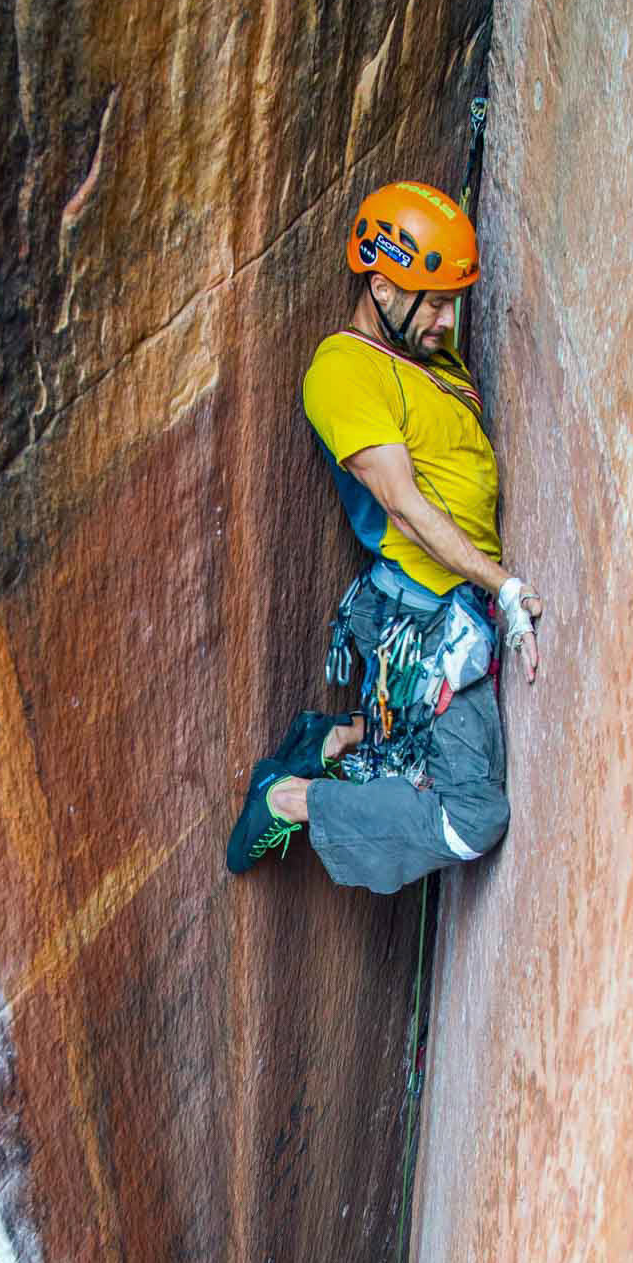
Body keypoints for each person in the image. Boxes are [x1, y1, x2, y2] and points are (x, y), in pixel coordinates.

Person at [226, 179, 542, 895]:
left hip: (446, 607)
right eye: (430, 300)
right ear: (378, 286)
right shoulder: (341, 373)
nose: (445, 319)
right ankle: (287, 799)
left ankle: (333, 739)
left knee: (413, 754)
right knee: (469, 816)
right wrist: (506, 587)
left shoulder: (428, 356)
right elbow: (400, 506)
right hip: (424, 622)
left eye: (451, 300)